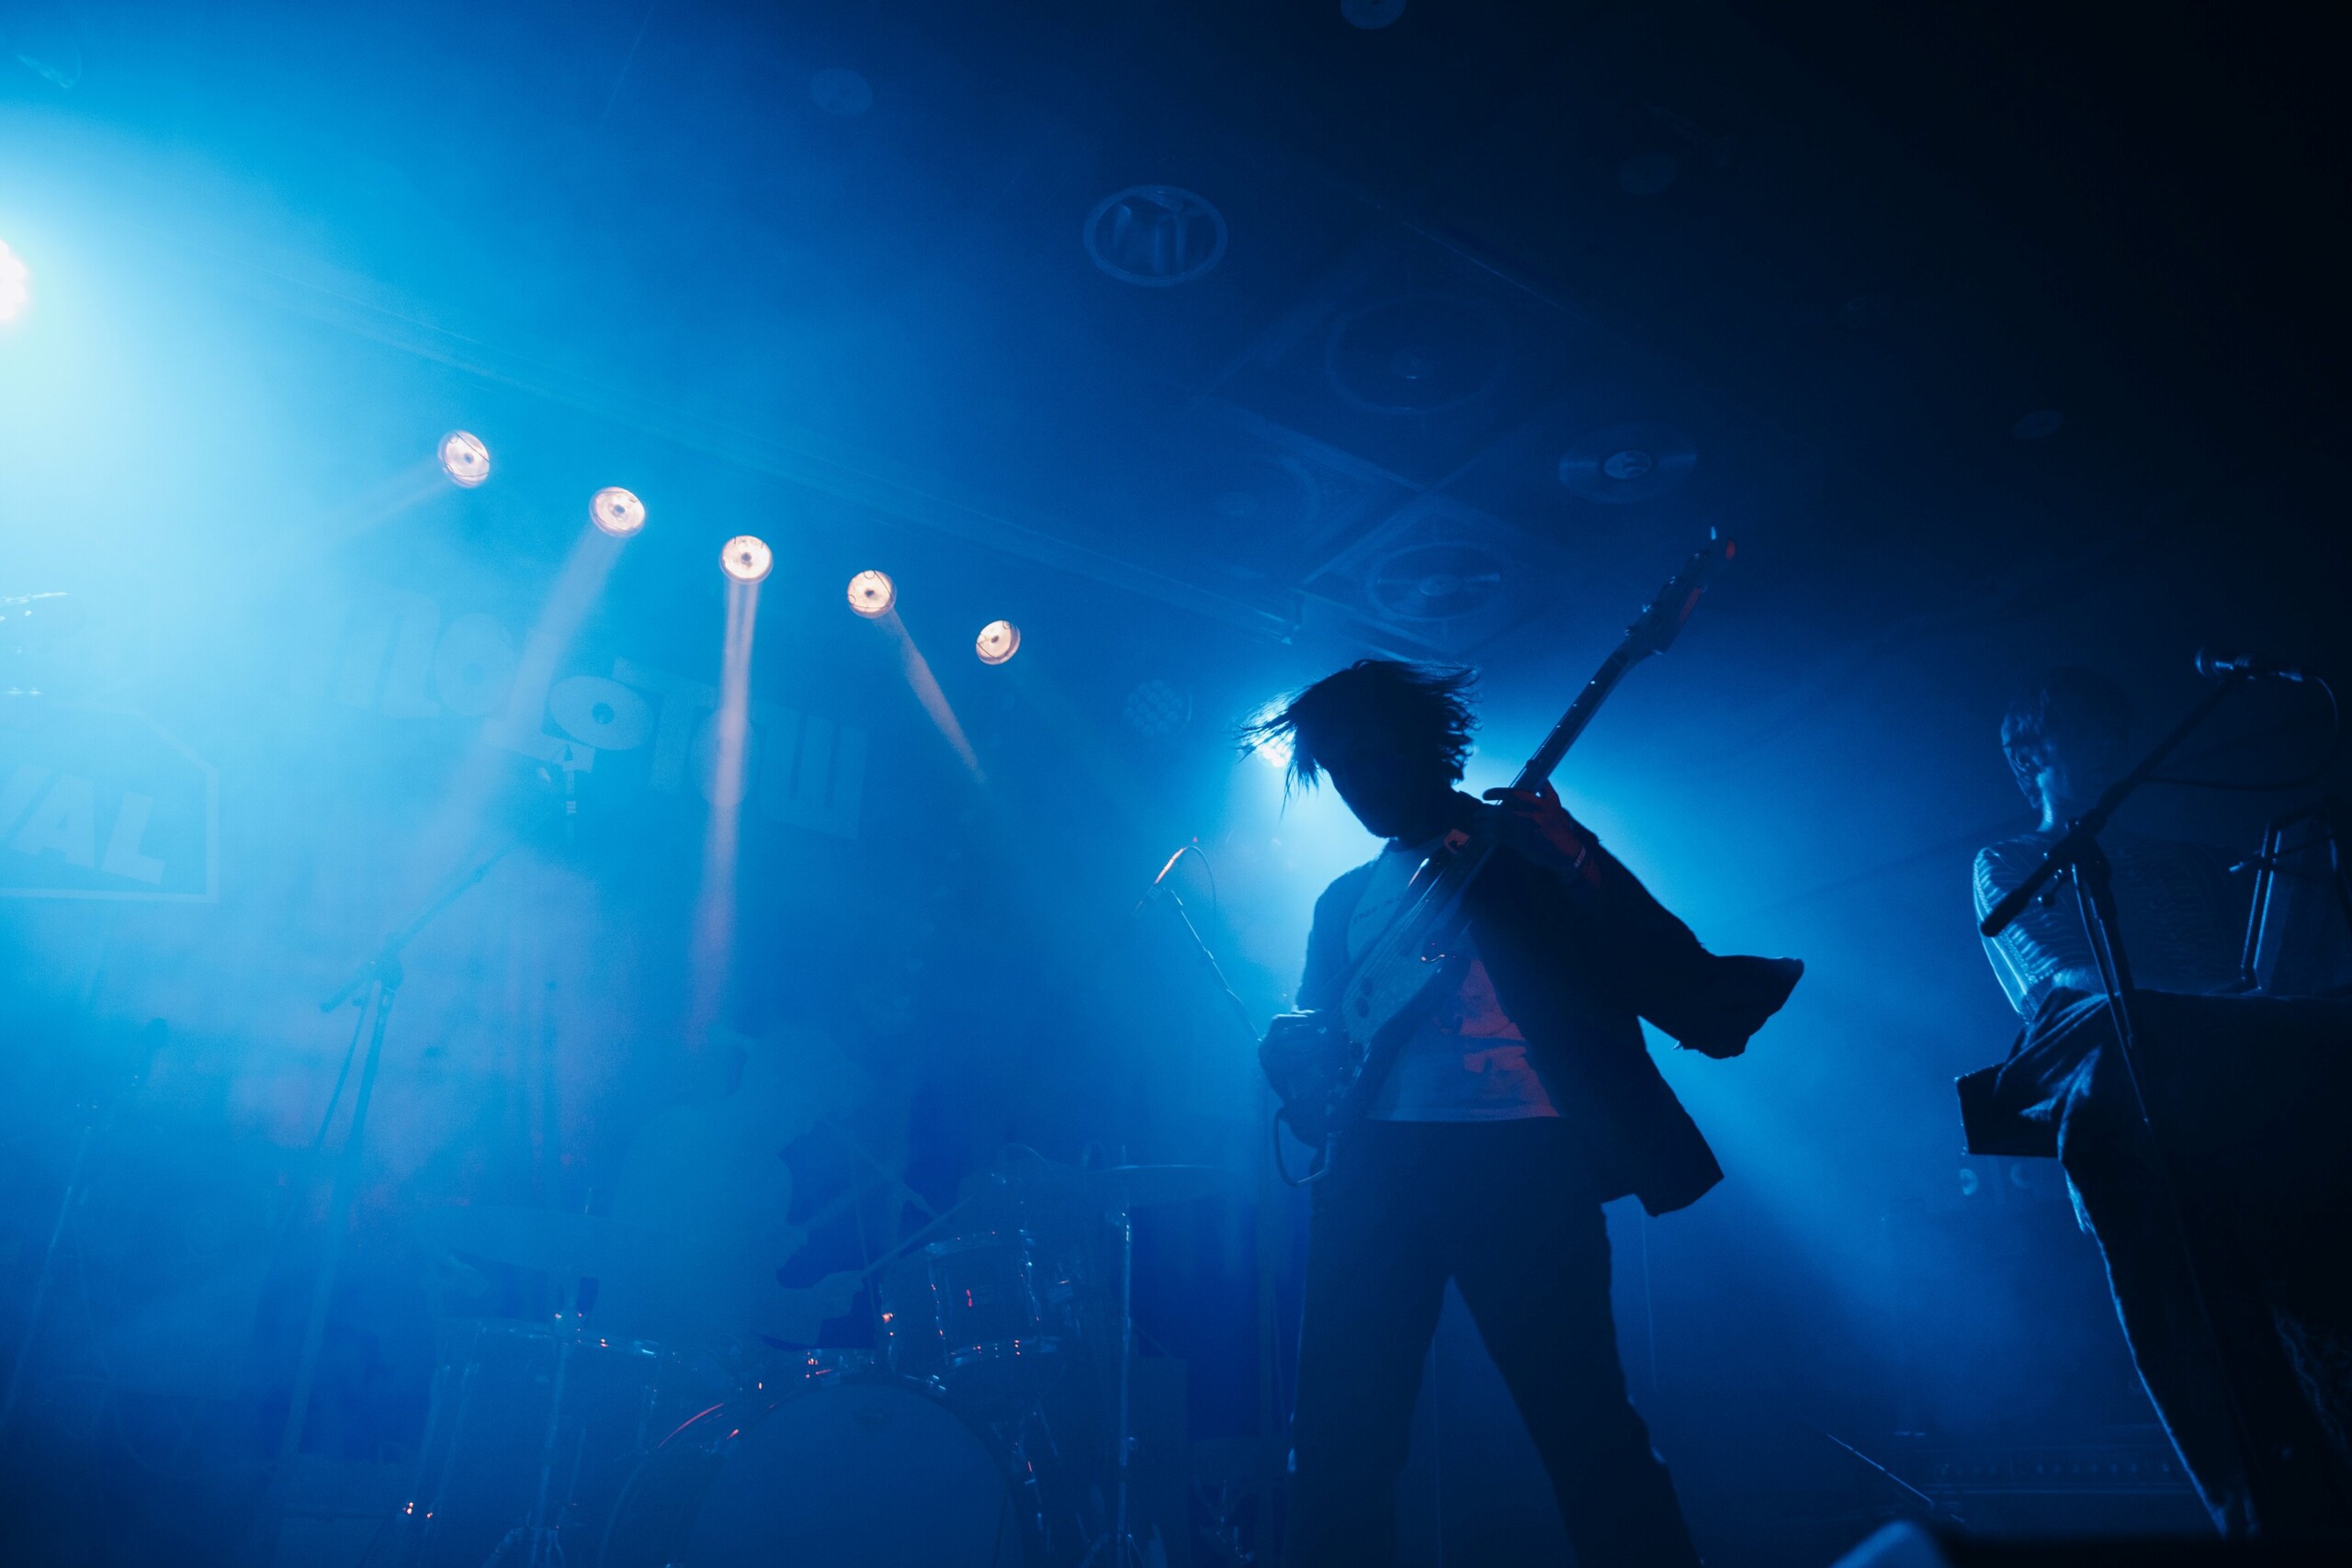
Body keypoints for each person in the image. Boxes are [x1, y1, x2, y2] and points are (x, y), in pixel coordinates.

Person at [1248, 660, 1802, 1568]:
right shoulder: (1342, 899)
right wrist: (1292, 1060)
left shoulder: (1525, 851)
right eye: (1338, 771)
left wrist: (1576, 860)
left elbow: (1679, 983)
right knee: (1340, 1443)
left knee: (1584, 1430)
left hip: (1521, 1156)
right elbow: (1329, 1055)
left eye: (1371, 758)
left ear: (1424, 749)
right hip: (1374, 1176)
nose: (1357, 786)